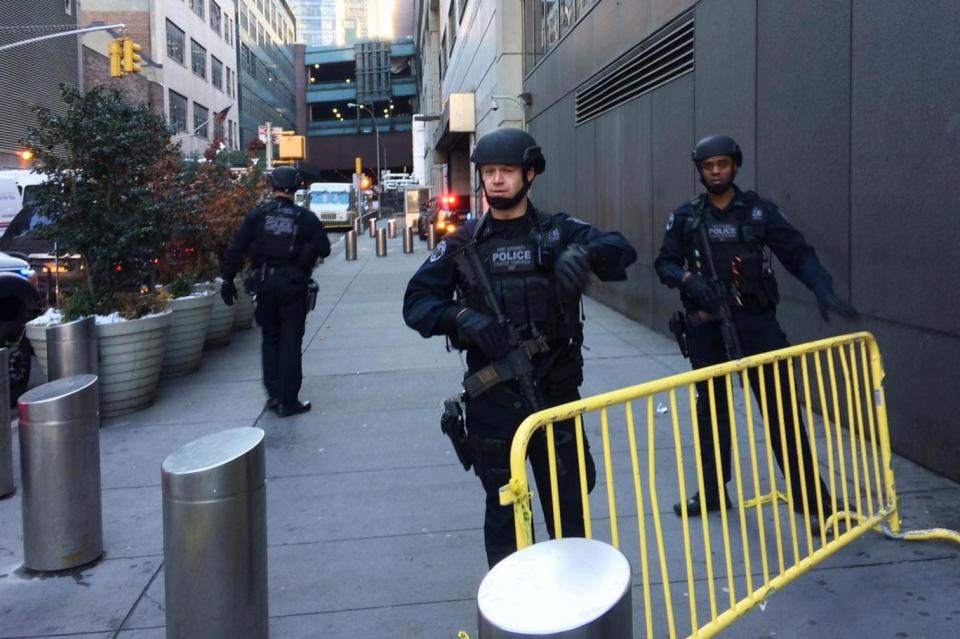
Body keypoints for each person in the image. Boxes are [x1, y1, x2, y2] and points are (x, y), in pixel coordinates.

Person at [403, 128, 638, 567]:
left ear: (529, 174)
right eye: (489, 172)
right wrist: (461, 318)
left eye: (507, 171)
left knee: (569, 512)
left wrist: (583, 258)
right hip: (493, 402)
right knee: (504, 518)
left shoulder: (556, 232)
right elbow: (415, 303)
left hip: (554, 397)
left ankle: (575, 612)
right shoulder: (462, 243)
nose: (496, 180)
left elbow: (622, 249)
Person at [655, 134, 859, 528]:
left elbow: (797, 252)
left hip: (756, 323)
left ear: (735, 166)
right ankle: (713, 491)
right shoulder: (685, 217)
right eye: (708, 165)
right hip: (705, 326)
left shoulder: (759, 213)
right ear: (699, 170)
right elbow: (664, 263)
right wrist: (685, 279)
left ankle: (815, 503)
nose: (716, 171)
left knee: (782, 410)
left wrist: (823, 288)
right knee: (711, 412)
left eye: (723, 164)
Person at [221, 165, 330, 417]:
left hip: (264, 284)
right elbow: (324, 248)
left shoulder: (258, 216)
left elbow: (237, 248)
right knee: (291, 340)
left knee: (270, 338)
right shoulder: (305, 218)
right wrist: (305, 254)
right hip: (293, 286)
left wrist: (228, 279)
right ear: (298, 186)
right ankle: (289, 400)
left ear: (272, 186)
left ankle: (273, 396)